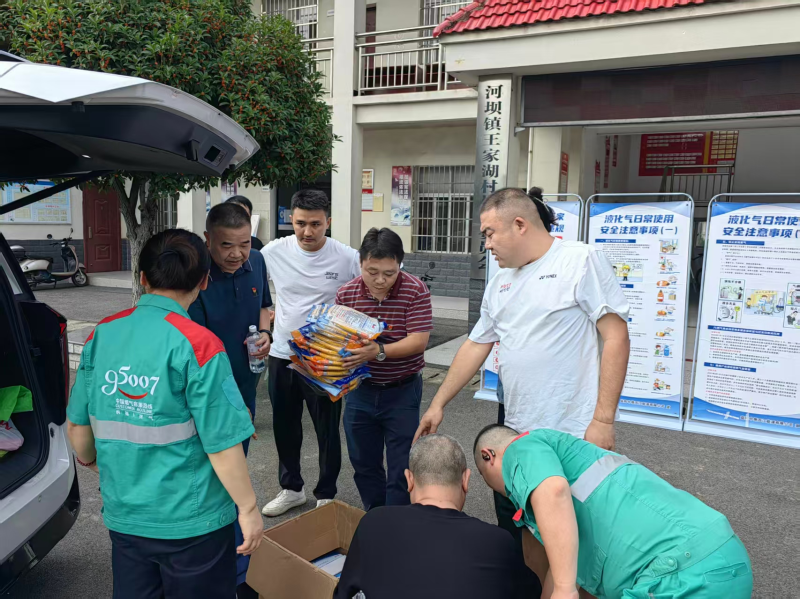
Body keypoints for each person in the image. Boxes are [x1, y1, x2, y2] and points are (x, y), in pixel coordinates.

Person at [414, 186, 630, 591]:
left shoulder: (579, 260)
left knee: (577, 539)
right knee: (526, 532)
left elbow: (616, 335)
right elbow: (476, 344)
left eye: (489, 233)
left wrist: (603, 420)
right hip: (517, 431)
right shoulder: (501, 282)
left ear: (520, 224)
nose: (486, 244)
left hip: (573, 429)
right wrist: (438, 403)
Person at [66, 229, 262, 599]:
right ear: (204, 281)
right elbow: (222, 444)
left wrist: (91, 459)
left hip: (126, 516)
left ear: (142, 278)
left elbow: (78, 426)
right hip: (193, 521)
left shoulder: (102, 334)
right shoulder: (199, 345)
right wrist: (248, 508)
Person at [473, 425, 753, 599]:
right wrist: (561, 587)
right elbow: (565, 574)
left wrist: (564, 590)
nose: (508, 493)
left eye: (490, 482)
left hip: (679, 572)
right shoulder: (579, 473)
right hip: (723, 559)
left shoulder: (522, 447)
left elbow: (553, 490)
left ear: (489, 455)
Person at [188, 202, 272, 598]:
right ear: (208, 240)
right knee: (216, 478)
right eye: (226, 245)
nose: (237, 254)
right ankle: (227, 567)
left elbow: (265, 307)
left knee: (232, 475)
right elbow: (194, 347)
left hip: (246, 388)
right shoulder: (195, 273)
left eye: (244, 243)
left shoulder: (258, 260)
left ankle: (230, 559)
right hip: (211, 397)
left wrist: (266, 335)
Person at [260, 189, 361, 516]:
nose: (307, 231)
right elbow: (256, 291)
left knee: (326, 429)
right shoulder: (273, 252)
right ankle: (291, 489)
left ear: (328, 222)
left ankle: (326, 494)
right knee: (284, 425)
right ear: (291, 219)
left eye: (315, 224)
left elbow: (367, 292)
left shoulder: (346, 257)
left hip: (325, 357)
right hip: (282, 353)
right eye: (300, 223)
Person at [334, 434, 527, 599]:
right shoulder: (499, 541)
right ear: (465, 480)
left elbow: (343, 594)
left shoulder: (373, 522)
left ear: (409, 479)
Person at [335, 228, 433, 510]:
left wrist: (378, 351)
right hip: (359, 391)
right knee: (363, 462)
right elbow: (339, 338)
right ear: (360, 263)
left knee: (402, 464)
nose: (380, 280)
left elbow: (418, 341)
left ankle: (397, 522)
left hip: (401, 390)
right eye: (372, 271)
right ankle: (376, 517)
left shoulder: (415, 290)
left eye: (389, 273)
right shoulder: (346, 294)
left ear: (400, 264)